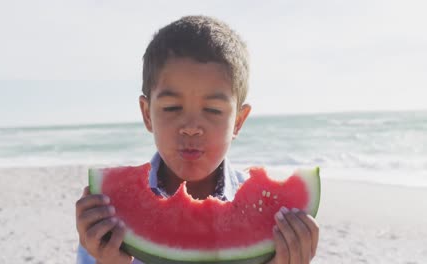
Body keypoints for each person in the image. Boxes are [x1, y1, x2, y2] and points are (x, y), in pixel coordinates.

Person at [75, 15, 319, 264]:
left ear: (238, 121)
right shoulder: (112, 220)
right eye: (171, 108)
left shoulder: (273, 221)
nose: (191, 128)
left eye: (213, 110)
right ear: (147, 114)